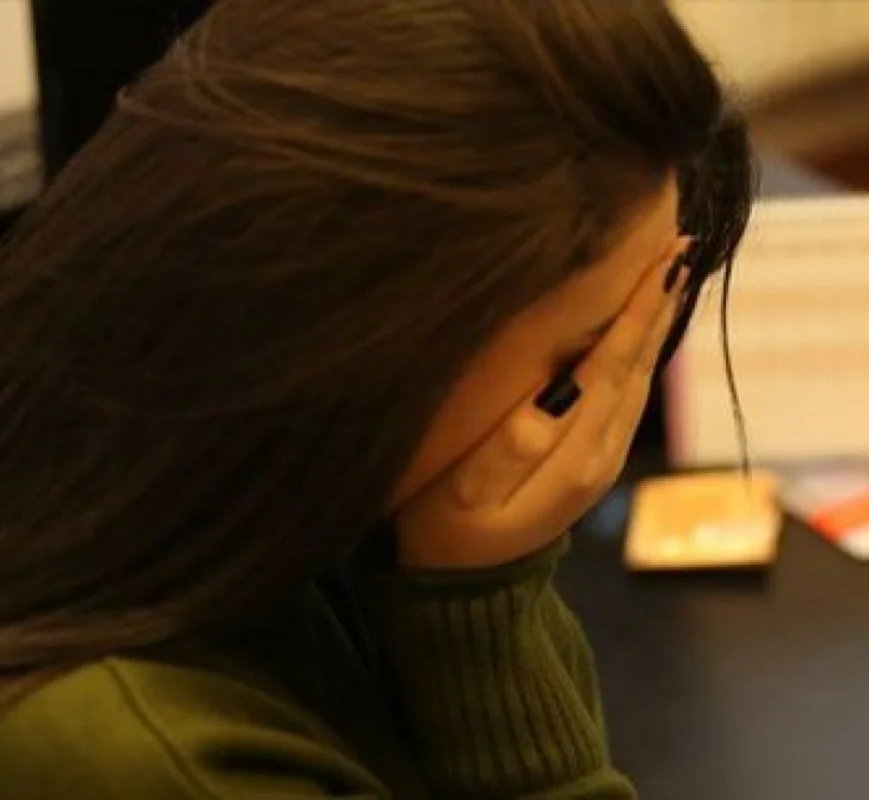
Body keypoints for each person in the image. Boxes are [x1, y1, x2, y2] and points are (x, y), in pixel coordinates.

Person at [0, 1, 756, 797]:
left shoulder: (286, 535)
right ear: (374, 344)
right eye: (582, 359)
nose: (605, 398)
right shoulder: (152, 761)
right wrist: (485, 616)